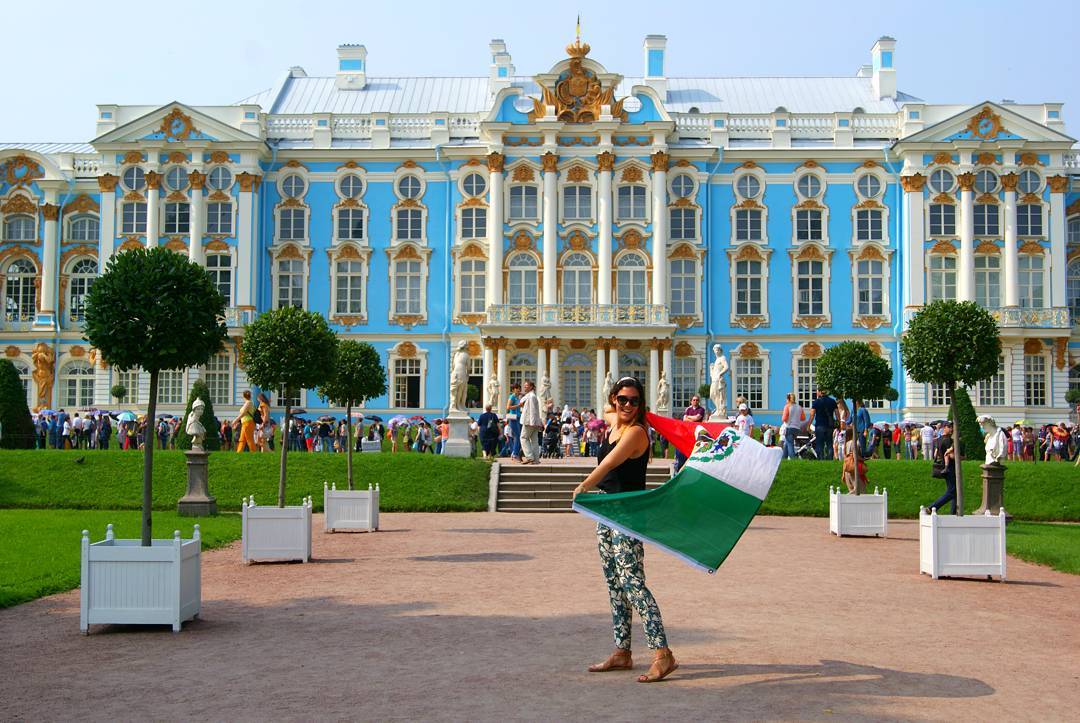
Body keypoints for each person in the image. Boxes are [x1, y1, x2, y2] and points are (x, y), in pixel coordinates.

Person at [573, 377, 677, 684]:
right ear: (614, 399)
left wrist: (582, 487)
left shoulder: (635, 433)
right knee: (614, 584)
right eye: (622, 400)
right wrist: (612, 404)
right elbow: (608, 409)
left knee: (633, 584)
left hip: (628, 515)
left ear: (641, 405)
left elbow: (606, 465)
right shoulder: (613, 421)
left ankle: (662, 654)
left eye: (634, 401)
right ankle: (622, 651)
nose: (628, 405)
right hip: (607, 512)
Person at [927, 421, 957, 514]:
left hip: (943, 467)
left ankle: (953, 514)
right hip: (949, 468)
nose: (951, 429)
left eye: (952, 427)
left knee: (954, 492)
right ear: (945, 427)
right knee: (952, 492)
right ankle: (932, 507)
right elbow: (949, 455)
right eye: (949, 427)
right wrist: (961, 457)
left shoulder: (939, 439)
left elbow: (936, 453)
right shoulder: (948, 440)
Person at [676, 395, 706, 472]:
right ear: (691, 401)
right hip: (688, 431)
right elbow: (684, 419)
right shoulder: (688, 409)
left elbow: (697, 418)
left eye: (696, 400)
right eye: (694, 400)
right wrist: (692, 418)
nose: (695, 401)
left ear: (698, 401)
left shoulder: (701, 409)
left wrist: (689, 417)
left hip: (696, 431)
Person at [807, 389, 839, 461]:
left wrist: (808, 425)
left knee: (819, 445)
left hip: (819, 426)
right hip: (830, 426)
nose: (816, 392)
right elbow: (837, 414)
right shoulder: (832, 401)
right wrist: (838, 423)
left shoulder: (816, 402)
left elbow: (812, 414)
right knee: (829, 444)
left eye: (817, 391)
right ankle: (830, 460)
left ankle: (821, 460)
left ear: (820, 392)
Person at [519, 379, 543, 464]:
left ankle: (529, 457)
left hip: (529, 422)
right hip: (533, 422)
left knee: (523, 438)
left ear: (531, 387)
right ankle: (536, 459)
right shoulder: (530, 396)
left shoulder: (532, 396)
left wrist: (533, 423)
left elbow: (533, 411)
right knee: (534, 441)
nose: (524, 387)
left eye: (526, 386)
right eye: (524, 385)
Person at [780, 393, 805, 459]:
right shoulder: (799, 407)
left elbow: (784, 419)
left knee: (790, 444)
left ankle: (793, 459)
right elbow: (803, 418)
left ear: (788, 399)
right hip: (796, 428)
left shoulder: (787, 406)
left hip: (789, 427)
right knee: (787, 443)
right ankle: (783, 458)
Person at [506, 383, 523, 462]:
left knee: (518, 436)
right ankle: (515, 454)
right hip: (513, 418)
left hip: (518, 418)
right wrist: (518, 405)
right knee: (517, 436)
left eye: (519, 388)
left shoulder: (517, 397)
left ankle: (515, 453)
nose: (518, 390)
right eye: (517, 388)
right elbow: (508, 407)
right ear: (513, 389)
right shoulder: (512, 396)